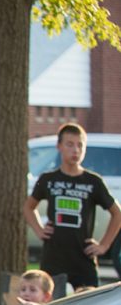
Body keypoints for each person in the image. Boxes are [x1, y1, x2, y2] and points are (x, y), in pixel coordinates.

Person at [24, 123, 121, 290]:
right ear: (59, 146)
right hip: (53, 259)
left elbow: (117, 213)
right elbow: (28, 207)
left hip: (83, 259)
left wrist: (103, 245)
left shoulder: (93, 182)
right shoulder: (48, 179)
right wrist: (39, 230)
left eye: (80, 145)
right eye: (70, 144)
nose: (75, 150)